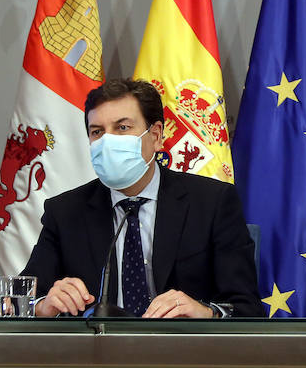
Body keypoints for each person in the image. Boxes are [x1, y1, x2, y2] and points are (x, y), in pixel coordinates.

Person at [22, 78, 263, 317]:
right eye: (97, 132)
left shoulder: (212, 203)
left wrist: (207, 313)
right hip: (96, 352)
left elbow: (248, 311)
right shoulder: (65, 212)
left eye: (122, 128)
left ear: (156, 135)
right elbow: (13, 306)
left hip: (184, 351)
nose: (108, 141)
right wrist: (43, 307)